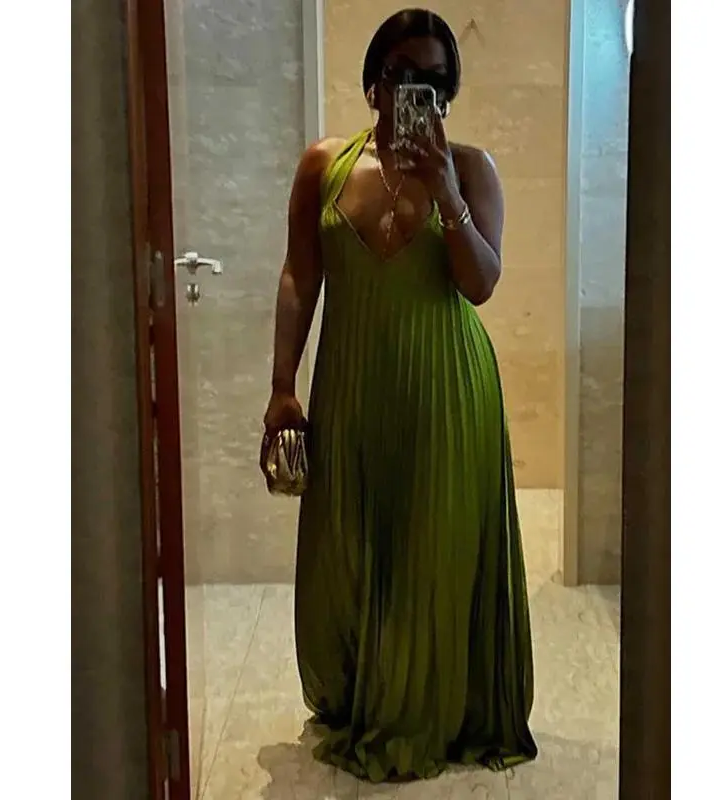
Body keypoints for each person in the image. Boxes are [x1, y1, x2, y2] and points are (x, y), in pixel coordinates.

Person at [262, 7, 538, 783]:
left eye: (436, 81)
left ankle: (421, 709)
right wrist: (281, 386)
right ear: (373, 83)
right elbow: (299, 276)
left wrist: (446, 192)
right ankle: (356, 688)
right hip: (351, 386)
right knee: (346, 551)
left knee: (429, 553)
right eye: (403, 74)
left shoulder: (472, 170)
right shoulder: (324, 165)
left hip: (446, 389)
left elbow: (480, 284)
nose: (420, 92)